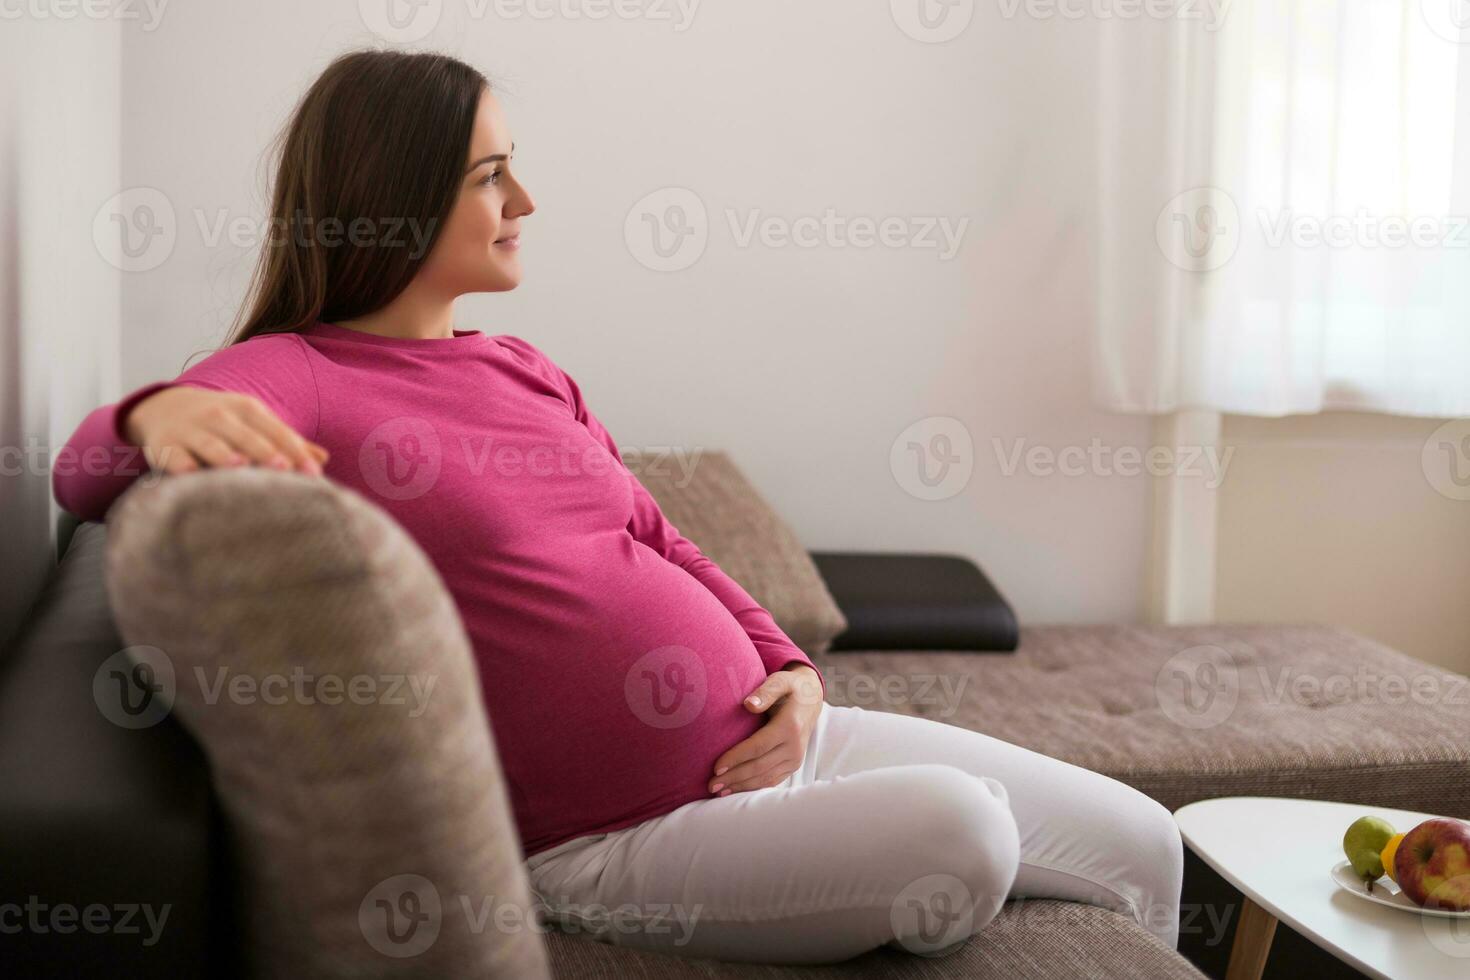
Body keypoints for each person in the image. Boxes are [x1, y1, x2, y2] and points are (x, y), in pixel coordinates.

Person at [53, 49, 1183, 965]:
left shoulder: (523, 365)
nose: (525, 201)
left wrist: (789, 666)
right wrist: (153, 419)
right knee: (965, 832)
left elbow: (658, 535)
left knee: (1145, 837)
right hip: (617, 835)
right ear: (392, 198)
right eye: (489, 175)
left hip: (781, 741)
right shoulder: (300, 371)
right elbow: (85, 470)